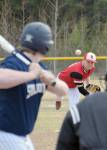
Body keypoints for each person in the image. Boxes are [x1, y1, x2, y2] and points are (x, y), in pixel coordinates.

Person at [0, 22, 68, 150]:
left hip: (21, 136)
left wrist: (51, 81)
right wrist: (31, 75)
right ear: (45, 46)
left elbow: (64, 90)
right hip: (5, 134)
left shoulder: (39, 67)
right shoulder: (13, 63)